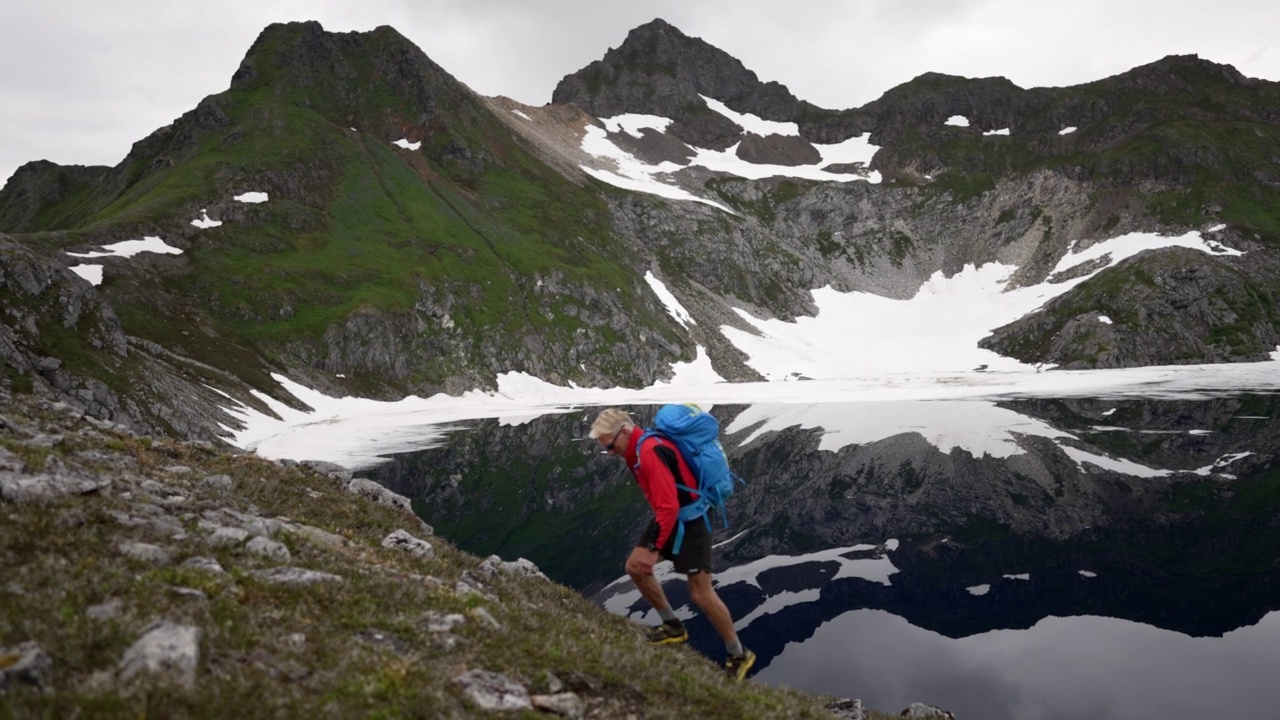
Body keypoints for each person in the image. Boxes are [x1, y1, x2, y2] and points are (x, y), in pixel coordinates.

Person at [589, 408, 756, 681]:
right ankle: (673, 626)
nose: (610, 452)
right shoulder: (640, 448)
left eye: (610, 446)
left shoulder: (650, 451)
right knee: (634, 567)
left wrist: (654, 549)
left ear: (625, 431)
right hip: (672, 518)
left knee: (701, 593)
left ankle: (739, 654)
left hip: (692, 519)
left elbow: (668, 505)